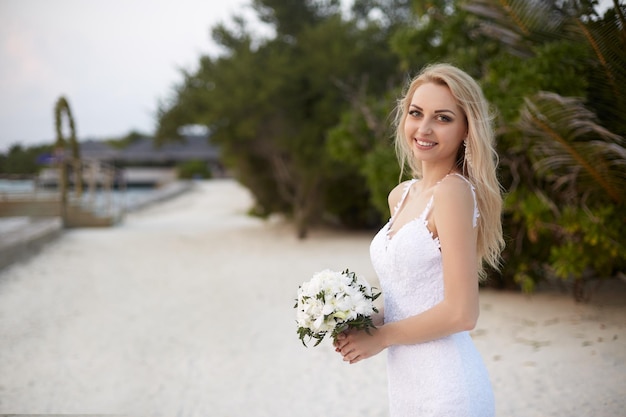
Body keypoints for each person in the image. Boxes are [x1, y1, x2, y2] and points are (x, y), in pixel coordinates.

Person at [334, 63, 505, 416]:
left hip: (447, 387)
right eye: (416, 113)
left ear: (465, 130)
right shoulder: (401, 196)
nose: (424, 129)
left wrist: (380, 338)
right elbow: (407, 298)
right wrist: (363, 320)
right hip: (405, 384)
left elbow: (462, 313)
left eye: (442, 118)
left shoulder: (454, 193)